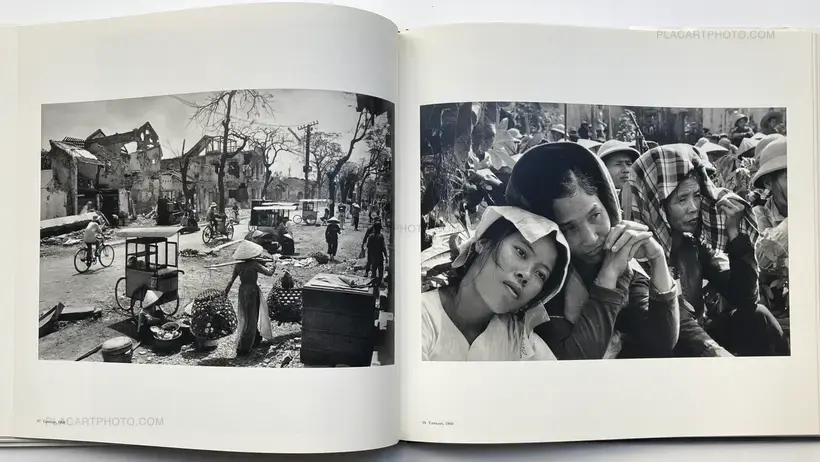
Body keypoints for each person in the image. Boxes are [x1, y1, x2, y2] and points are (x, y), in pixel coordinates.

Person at [505, 142, 680, 360]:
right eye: (569, 228)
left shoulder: (625, 259)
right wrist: (608, 277)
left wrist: (657, 259)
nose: (590, 238)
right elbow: (575, 361)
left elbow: (661, 343)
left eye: (594, 215)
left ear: (608, 204)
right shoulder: (545, 281)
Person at [623, 143, 789, 357]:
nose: (693, 207)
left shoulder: (692, 245)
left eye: (697, 196)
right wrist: (716, 352)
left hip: (698, 338)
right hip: (663, 350)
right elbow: (674, 327)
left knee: (759, 316)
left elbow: (745, 298)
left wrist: (734, 234)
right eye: (682, 199)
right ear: (657, 204)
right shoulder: (635, 253)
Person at [421, 206, 570, 361]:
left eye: (540, 274)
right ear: (483, 243)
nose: (526, 275)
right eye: (521, 252)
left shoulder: (520, 343)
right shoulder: (419, 315)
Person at [224, 240, 276, 355]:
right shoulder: (254, 264)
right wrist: (274, 263)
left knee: (245, 315)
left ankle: (255, 338)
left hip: (242, 291)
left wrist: (225, 293)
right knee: (252, 317)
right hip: (252, 291)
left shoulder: (239, 265)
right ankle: (245, 346)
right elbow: (269, 272)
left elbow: (231, 280)